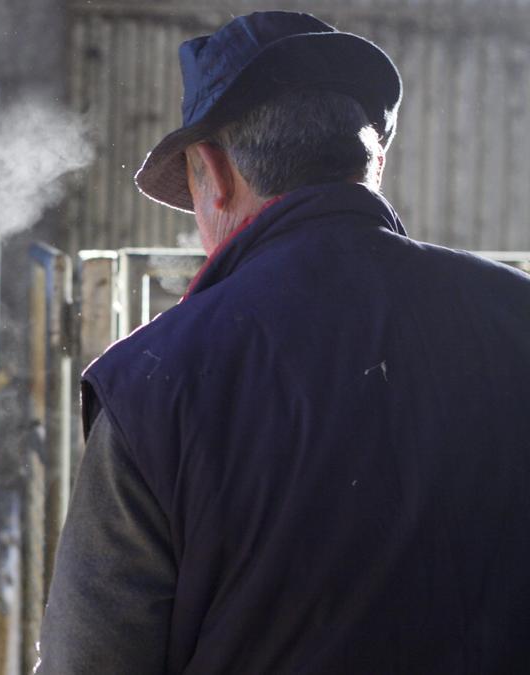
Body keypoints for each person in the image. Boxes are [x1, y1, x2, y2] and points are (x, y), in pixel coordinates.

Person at [37, 11, 530, 674]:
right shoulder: (515, 317)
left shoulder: (153, 381)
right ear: (374, 163)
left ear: (211, 170)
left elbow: (91, 661)